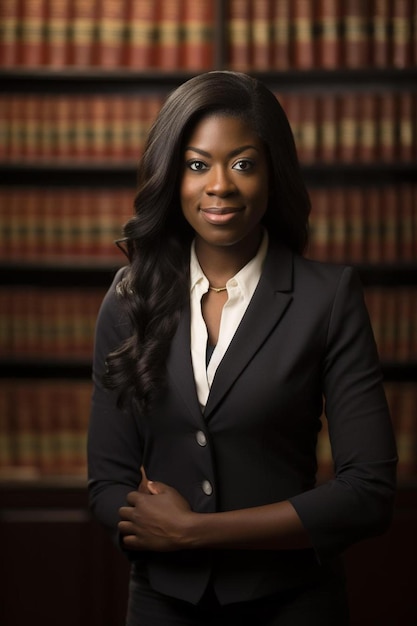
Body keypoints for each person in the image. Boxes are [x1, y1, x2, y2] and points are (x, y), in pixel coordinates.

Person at [87, 71, 397, 625]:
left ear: (272, 174)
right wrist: (152, 530)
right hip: (163, 605)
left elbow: (367, 492)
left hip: (294, 604)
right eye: (197, 164)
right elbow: (105, 482)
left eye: (244, 164)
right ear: (172, 175)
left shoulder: (328, 297)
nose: (220, 186)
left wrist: (194, 532)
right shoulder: (129, 298)